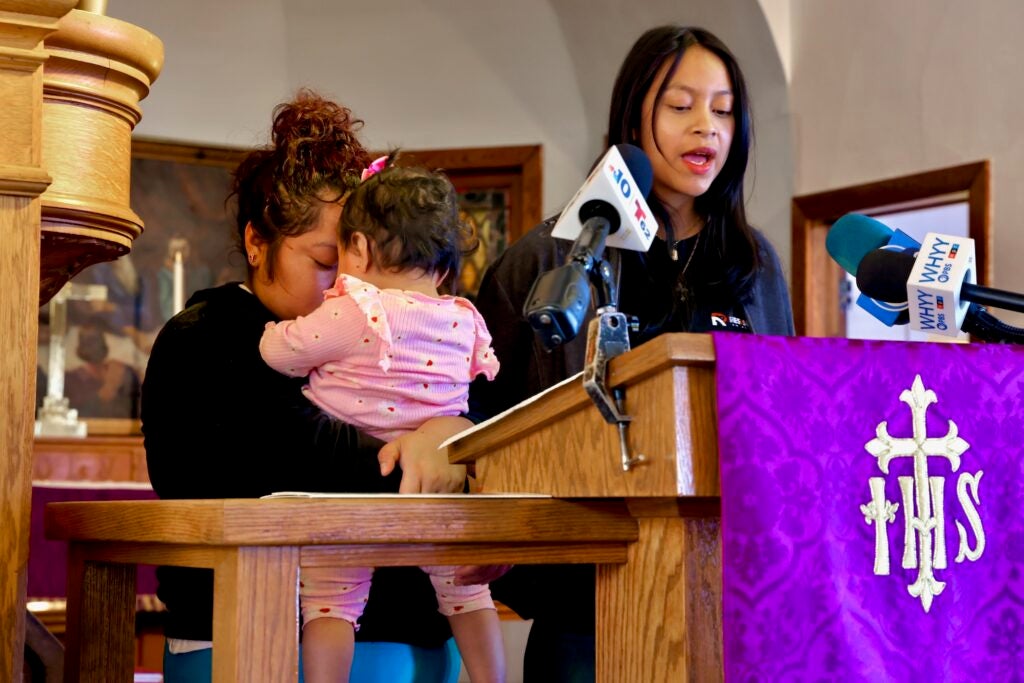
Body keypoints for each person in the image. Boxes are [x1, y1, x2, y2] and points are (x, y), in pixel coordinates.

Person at [468, 25, 795, 681]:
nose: (706, 128)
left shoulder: (752, 264)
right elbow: (485, 424)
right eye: (680, 106)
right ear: (631, 117)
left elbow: (781, 418)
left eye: (724, 110)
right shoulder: (550, 259)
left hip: (727, 596)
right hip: (587, 605)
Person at [141, 91, 470, 683]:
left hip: (410, 632)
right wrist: (438, 449)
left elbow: (480, 417)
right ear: (256, 242)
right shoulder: (205, 339)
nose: (351, 282)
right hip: (253, 637)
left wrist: (454, 430)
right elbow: (314, 460)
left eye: (361, 259)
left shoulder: (389, 320)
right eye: (325, 261)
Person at [259, 157, 505, 683]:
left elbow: (282, 354)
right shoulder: (465, 318)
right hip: (433, 491)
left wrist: (272, 332)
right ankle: (493, 679)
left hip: (351, 493)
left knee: (330, 601)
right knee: (466, 590)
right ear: (443, 267)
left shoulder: (357, 309)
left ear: (359, 249)